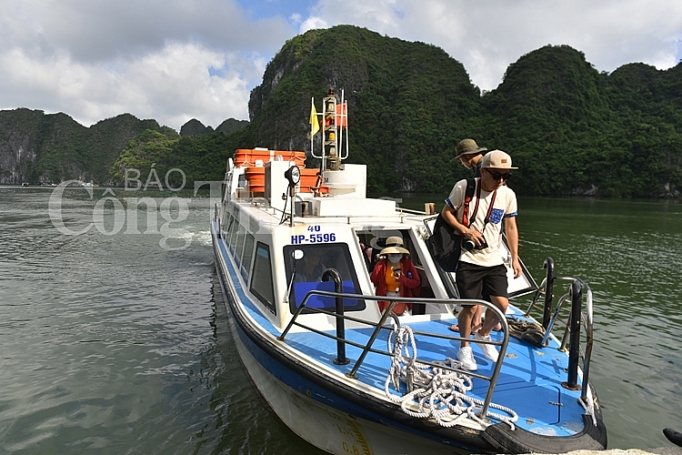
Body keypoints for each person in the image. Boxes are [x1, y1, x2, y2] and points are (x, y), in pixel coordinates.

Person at [441, 150, 522, 371]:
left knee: (501, 304)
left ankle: (484, 335)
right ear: (484, 171)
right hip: (468, 258)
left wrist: (515, 258)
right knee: (469, 306)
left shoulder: (507, 195)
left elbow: (511, 227)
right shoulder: (464, 187)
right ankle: (465, 348)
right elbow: (446, 212)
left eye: (506, 176)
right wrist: (464, 231)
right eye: (497, 175)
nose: (501, 181)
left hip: (493, 259)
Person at [370, 236, 420, 316]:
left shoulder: (408, 264)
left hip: (404, 299)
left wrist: (403, 279)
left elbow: (416, 282)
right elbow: (373, 281)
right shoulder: (381, 265)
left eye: (398, 254)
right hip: (385, 299)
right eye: (392, 254)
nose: (395, 256)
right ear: (387, 254)